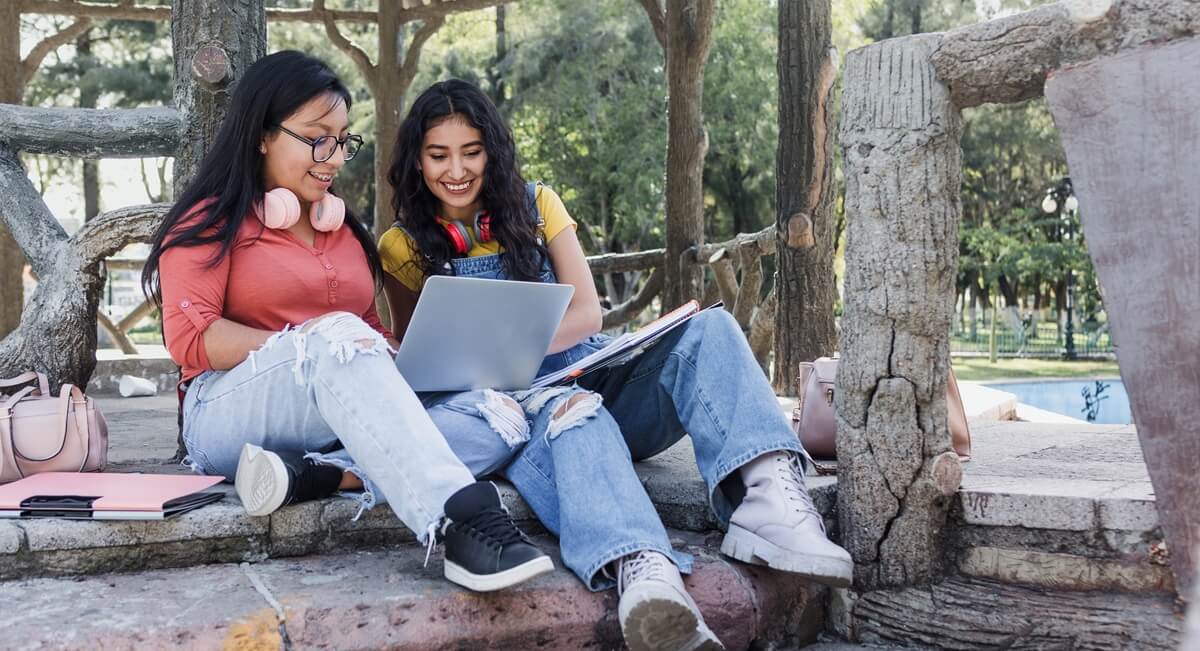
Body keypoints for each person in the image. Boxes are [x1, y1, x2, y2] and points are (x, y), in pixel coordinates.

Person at [379, 79, 853, 651]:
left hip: (594, 369)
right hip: (518, 412)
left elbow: (586, 314)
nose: (456, 169)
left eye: (471, 151)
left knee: (709, 327)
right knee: (572, 411)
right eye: (438, 155)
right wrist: (502, 380)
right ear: (416, 159)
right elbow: (422, 357)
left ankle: (770, 498)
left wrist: (523, 351)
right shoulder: (401, 246)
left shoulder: (536, 206)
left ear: (492, 151)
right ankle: (647, 581)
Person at [142, 53, 551, 593]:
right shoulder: (209, 222)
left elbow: (368, 336)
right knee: (337, 338)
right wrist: (310, 345)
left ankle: (316, 474)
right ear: (263, 135)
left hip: (334, 406)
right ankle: (460, 522)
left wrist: (414, 359)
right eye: (317, 138)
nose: (333, 157)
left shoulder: (343, 231)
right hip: (224, 409)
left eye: (342, 140)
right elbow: (192, 340)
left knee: (499, 414)